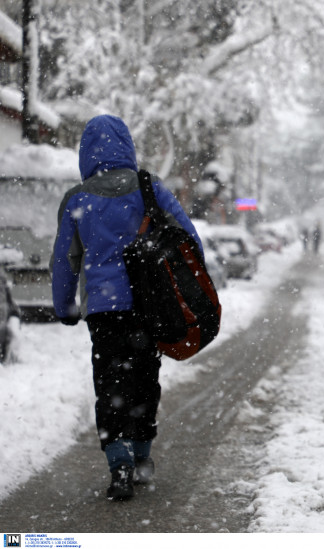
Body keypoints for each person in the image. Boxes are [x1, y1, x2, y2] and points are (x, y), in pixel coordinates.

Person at [51, 115, 203, 501]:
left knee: (109, 382)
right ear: (127, 147)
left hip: (103, 310)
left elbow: (64, 260)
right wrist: (192, 284)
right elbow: (188, 237)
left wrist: (64, 305)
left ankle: (117, 461)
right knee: (143, 379)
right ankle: (141, 455)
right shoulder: (149, 187)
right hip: (146, 305)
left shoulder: (77, 199)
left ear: (86, 153)